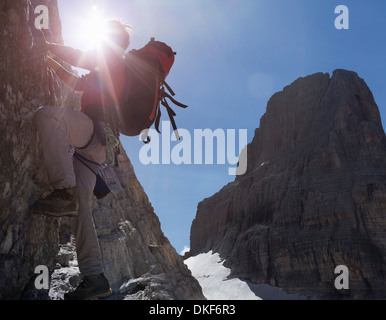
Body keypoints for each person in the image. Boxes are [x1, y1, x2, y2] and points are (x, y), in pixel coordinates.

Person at [32, 19, 132, 300]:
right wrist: (53, 65)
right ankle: (95, 277)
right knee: (81, 212)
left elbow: (81, 57)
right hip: (98, 150)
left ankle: (64, 190)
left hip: (95, 133)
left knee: (47, 116)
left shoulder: (113, 61)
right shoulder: (110, 71)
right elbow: (78, 81)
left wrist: (49, 46)